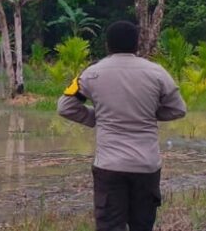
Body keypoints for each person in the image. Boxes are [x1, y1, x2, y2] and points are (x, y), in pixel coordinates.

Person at [57, 20, 187, 231]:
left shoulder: (91, 73)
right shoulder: (157, 73)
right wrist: (147, 114)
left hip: (109, 166)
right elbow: (178, 109)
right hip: (146, 166)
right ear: (137, 45)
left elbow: (65, 107)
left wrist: (97, 117)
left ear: (107, 45)